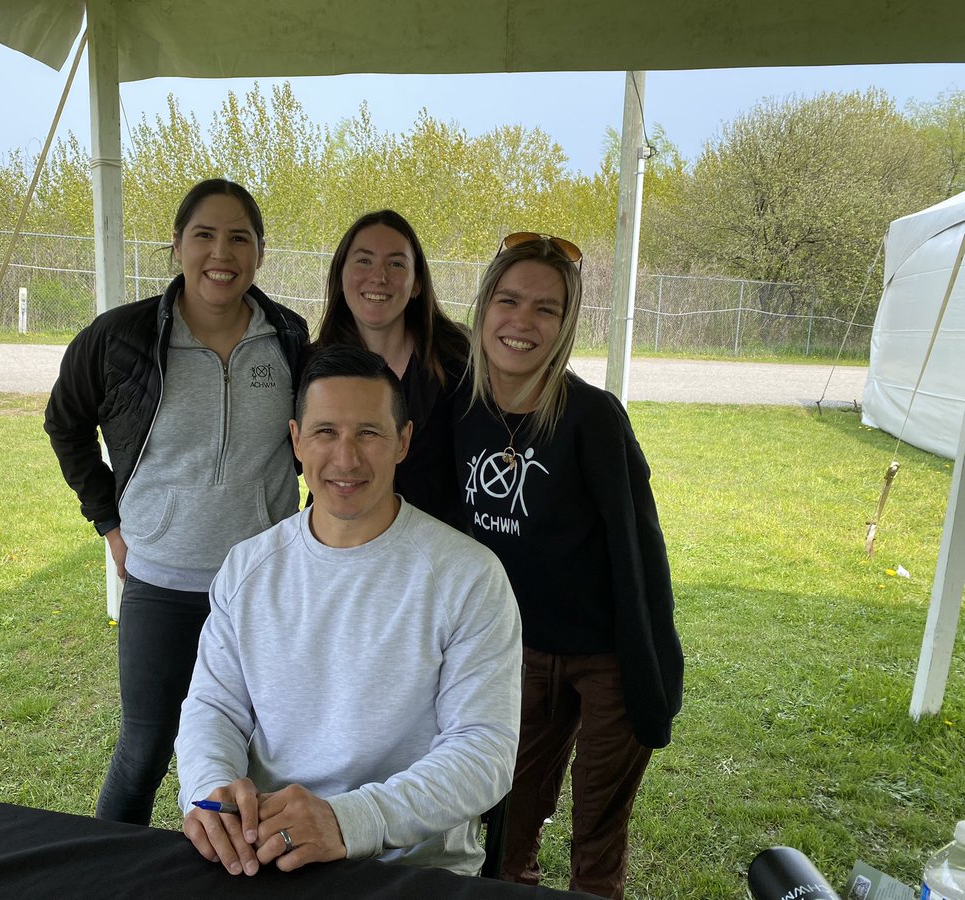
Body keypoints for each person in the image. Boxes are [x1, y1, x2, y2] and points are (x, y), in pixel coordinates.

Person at [175, 345, 522, 877]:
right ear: (295, 440)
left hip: (413, 864)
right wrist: (211, 790)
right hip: (268, 850)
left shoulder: (469, 576)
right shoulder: (248, 569)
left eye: (368, 433)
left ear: (403, 442)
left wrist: (347, 820)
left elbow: (483, 751)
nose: (345, 458)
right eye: (325, 432)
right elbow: (213, 708)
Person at [44, 178, 309, 825]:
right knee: (143, 754)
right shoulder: (121, 337)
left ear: (260, 253)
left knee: (255, 763)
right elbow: (65, 421)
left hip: (261, 587)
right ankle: (108, 877)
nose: (222, 253)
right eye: (204, 235)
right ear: (177, 245)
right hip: (161, 583)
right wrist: (107, 520)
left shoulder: (290, 337)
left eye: (239, 238)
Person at [453, 233, 683, 898]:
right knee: (506, 825)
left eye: (546, 309)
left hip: (604, 658)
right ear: (484, 307)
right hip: (513, 655)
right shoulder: (461, 409)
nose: (522, 321)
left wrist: (653, 668)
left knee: (595, 841)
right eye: (509, 300)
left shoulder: (592, 418)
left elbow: (640, 551)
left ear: (566, 324)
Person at [315, 210, 469, 529]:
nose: (379, 276)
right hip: (340, 547)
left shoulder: (459, 360)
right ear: (340, 275)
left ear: (416, 285)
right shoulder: (311, 366)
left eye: (396, 264)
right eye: (364, 261)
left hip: (436, 555)